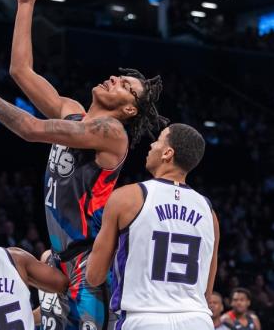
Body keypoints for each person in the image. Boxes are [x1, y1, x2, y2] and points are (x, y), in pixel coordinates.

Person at [0, 0, 166, 329]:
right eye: (119, 77)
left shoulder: (111, 134)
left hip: (90, 265)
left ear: (129, 110)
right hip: (61, 260)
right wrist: (25, 4)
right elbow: (20, 71)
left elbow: (28, 128)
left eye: (126, 86)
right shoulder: (71, 111)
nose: (115, 78)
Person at [86, 124, 220, 330]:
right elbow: (206, 293)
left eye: (158, 140)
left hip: (145, 318)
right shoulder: (209, 212)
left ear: (168, 153)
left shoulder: (126, 197)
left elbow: (94, 276)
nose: (151, 145)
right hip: (197, 319)